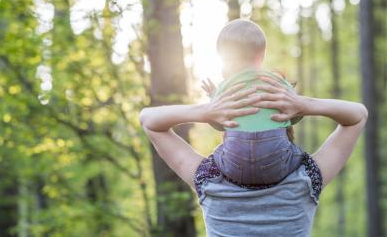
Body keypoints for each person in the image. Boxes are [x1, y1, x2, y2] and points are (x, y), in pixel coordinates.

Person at [139, 19, 368, 236]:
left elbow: (149, 121)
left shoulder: (209, 180)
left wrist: (206, 111)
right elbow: (358, 116)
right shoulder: (306, 179)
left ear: (228, 126)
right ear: (285, 125)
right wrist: (303, 105)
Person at [199, 19, 306, 187]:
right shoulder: (276, 82)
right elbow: (296, 115)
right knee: (301, 156)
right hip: (277, 165)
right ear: (261, 56)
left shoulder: (226, 87)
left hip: (235, 168)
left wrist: (214, 96)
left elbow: (218, 123)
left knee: (215, 155)